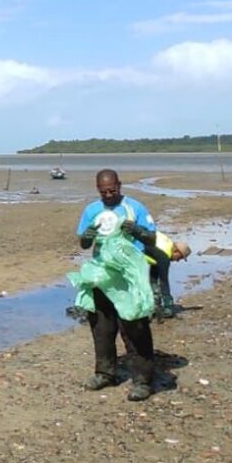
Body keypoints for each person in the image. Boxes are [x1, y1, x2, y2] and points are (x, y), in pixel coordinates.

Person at [76, 169, 158, 401]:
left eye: (113, 190)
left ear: (120, 185)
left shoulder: (135, 208)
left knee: (135, 328)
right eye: (104, 192)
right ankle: (105, 373)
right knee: (102, 326)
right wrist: (88, 235)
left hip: (130, 276)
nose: (109, 195)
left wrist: (138, 230)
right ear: (98, 189)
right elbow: (83, 243)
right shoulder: (92, 210)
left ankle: (142, 380)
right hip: (102, 275)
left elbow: (152, 239)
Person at [143, 233, 191, 319]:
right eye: (179, 258)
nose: (177, 261)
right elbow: (164, 282)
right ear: (176, 251)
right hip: (130, 250)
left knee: (153, 279)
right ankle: (163, 307)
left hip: (138, 243)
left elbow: (154, 277)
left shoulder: (166, 243)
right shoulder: (164, 256)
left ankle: (154, 303)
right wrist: (169, 306)